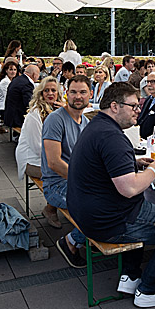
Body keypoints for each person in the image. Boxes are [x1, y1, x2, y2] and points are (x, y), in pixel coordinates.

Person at [66, 82, 155, 307]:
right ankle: (148, 289)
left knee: (150, 205)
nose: (138, 111)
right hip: (108, 222)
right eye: (134, 106)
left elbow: (102, 163)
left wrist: (131, 162)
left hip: (87, 214)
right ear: (114, 106)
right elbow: (130, 189)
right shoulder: (112, 137)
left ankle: (130, 275)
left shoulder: (97, 126)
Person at [43, 75, 92, 262]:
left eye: (82, 92)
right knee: (96, 208)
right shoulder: (55, 120)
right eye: (73, 92)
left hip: (75, 182)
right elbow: (54, 162)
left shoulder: (86, 123)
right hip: (56, 186)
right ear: (66, 94)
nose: (77, 96)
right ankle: (71, 242)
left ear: (90, 94)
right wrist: (84, 182)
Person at [16, 76, 63, 182]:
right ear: (41, 93)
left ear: (58, 94)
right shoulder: (35, 113)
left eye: (53, 90)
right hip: (33, 160)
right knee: (67, 175)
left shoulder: (59, 110)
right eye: (46, 90)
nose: (50, 93)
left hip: (52, 157)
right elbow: (37, 147)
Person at [5, 63, 40, 130]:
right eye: (38, 74)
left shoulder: (19, 79)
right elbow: (29, 103)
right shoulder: (26, 84)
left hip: (10, 115)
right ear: (34, 75)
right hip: (17, 118)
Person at [0, 60, 20, 126]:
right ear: (6, 71)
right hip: (3, 109)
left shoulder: (13, 80)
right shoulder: (5, 82)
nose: (13, 72)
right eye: (11, 69)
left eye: (15, 70)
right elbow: (8, 96)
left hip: (7, 107)